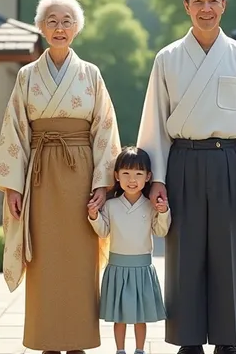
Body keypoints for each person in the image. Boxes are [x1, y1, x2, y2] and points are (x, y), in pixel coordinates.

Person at [136, 0, 236, 354]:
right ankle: (187, 340)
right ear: (186, 5)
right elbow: (154, 120)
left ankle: (228, 339)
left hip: (229, 162)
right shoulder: (167, 58)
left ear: (224, 4)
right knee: (183, 253)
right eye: (197, 0)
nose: (206, 7)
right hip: (182, 159)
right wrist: (158, 180)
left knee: (229, 254)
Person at [0, 0, 121, 354]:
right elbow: (14, 130)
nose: (60, 27)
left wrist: (102, 184)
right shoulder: (26, 76)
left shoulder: (91, 74)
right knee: (44, 260)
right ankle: (46, 339)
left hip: (81, 173)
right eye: (52, 21)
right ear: (41, 28)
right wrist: (12, 188)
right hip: (40, 176)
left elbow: (105, 129)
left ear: (76, 28)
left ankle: (78, 341)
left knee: (80, 261)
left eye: (66, 21)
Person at [87, 146, 170, 354]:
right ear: (116, 175)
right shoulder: (110, 205)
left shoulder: (151, 206)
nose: (132, 179)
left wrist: (164, 212)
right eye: (125, 173)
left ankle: (140, 350)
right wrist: (94, 216)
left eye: (138, 174)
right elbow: (104, 232)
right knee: (120, 315)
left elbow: (161, 231)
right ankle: (120, 350)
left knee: (140, 316)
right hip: (117, 268)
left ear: (148, 177)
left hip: (142, 268)